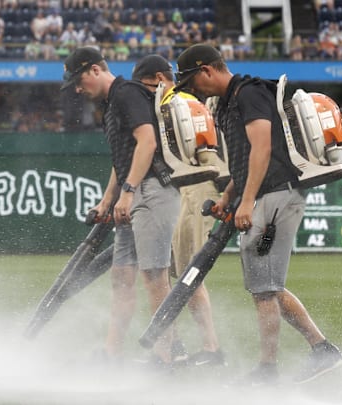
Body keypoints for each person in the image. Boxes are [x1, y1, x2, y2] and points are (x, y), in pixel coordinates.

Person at [174, 44, 342, 385]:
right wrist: (229, 197)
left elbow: (263, 148)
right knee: (265, 286)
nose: (192, 90)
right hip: (268, 195)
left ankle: (269, 370)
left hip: (275, 195)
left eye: (192, 81)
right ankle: (322, 350)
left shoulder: (249, 92)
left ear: (207, 69)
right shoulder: (229, 101)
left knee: (265, 288)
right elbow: (243, 158)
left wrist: (247, 201)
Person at [62, 47, 180, 368]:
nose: (76, 87)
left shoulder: (127, 93)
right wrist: (107, 198)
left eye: (78, 78)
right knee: (121, 277)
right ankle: (112, 354)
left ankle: (165, 357)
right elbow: (123, 157)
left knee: (155, 277)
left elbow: (147, 142)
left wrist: (127, 192)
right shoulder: (113, 101)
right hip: (133, 195)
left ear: (96, 70)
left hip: (152, 190)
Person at [131, 54, 226, 367]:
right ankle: (176, 345)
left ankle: (210, 349)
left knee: (189, 271)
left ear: (159, 78)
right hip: (185, 189)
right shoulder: (181, 99)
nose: (144, 92)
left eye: (146, 85)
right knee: (176, 272)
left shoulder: (177, 100)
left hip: (197, 186)